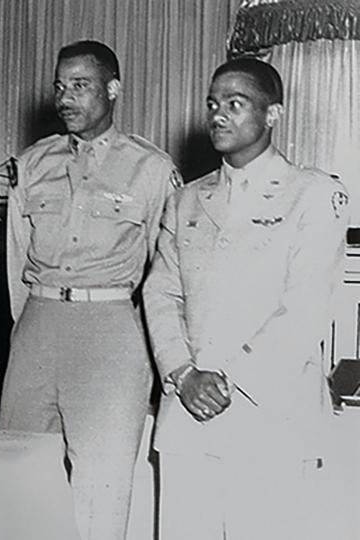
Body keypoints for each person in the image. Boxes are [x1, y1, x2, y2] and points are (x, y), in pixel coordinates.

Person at [143, 57, 349, 540]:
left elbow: (306, 310)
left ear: (272, 115)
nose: (218, 114)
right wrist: (184, 374)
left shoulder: (313, 194)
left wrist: (227, 381)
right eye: (214, 103)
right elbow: (160, 292)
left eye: (235, 104)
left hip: (270, 418)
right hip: (188, 414)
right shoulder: (187, 199)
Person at [1, 41, 180, 540]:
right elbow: (17, 260)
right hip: (37, 325)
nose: (66, 98)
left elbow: (161, 270)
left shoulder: (151, 168)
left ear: (113, 89)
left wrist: (146, 352)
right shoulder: (32, 163)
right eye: (60, 86)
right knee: (17, 472)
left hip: (111, 333)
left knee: (101, 494)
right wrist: (28, 330)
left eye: (80, 85)